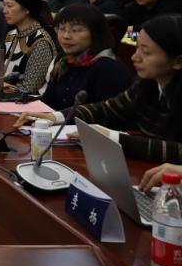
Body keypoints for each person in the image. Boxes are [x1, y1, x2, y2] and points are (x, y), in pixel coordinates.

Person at [15, 14, 182, 164]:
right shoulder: (147, 84)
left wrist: (113, 137)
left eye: (146, 52)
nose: (134, 57)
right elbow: (106, 108)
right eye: (137, 48)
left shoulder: (109, 67)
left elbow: (176, 150)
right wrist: (55, 117)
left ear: (178, 61)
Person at [39, 4, 133, 110]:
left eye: (76, 30)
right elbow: (47, 102)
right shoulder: (64, 61)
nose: (66, 36)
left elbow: (107, 114)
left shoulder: (108, 67)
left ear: (96, 33)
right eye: (61, 29)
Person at [2, 0, 58, 96]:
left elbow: (30, 88)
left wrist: (2, 87)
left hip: (22, 102)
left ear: (27, 9)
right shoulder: (12, 34)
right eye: (4, 5)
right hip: (2, 95)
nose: (4, 10)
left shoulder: (41, 43)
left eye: (10, 6)